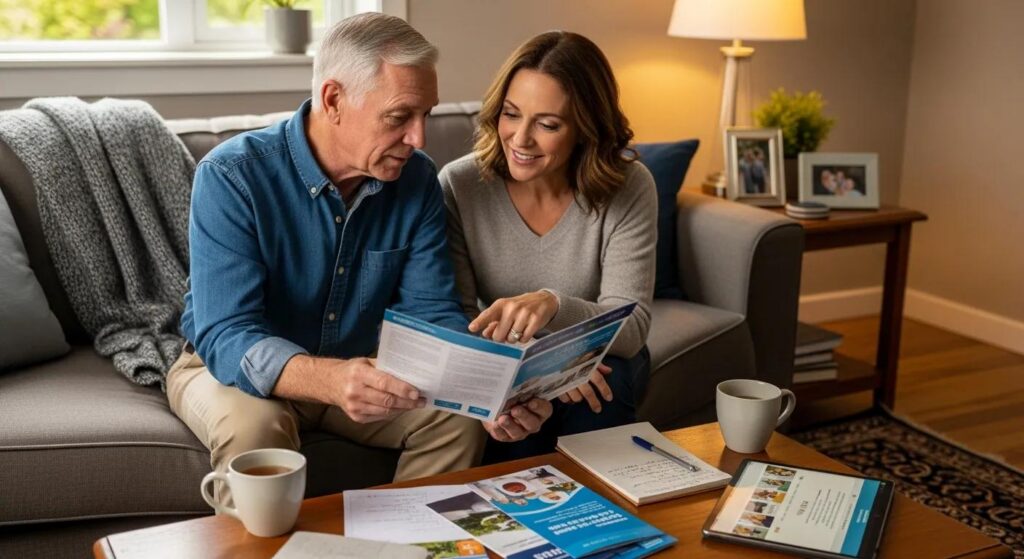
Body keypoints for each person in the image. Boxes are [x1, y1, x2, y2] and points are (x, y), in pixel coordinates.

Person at [167, 13, 551, 507]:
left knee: (457, 421)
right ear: (333, 100)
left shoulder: (416, 181)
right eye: (399, 117)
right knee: (255, 430)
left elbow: (431, 313)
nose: (419, 138)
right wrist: (329, 379)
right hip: (232, 370)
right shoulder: (232, 175)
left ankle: (410, 540)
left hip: (361, 368)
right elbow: (227, 334)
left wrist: (487, 395)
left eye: (426, 115)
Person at [439, 31, 656, 461]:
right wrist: (540, 365)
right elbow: (459, 318)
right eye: (511, 114)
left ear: (585, 129)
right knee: (517, 411)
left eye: (547, 124)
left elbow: (631, 327)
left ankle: (601, 502)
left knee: (606, 383)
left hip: (600, 356)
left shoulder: (629, 186)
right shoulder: (459, 185)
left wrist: (553, 306)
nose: (520, 138)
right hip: (508, 354)